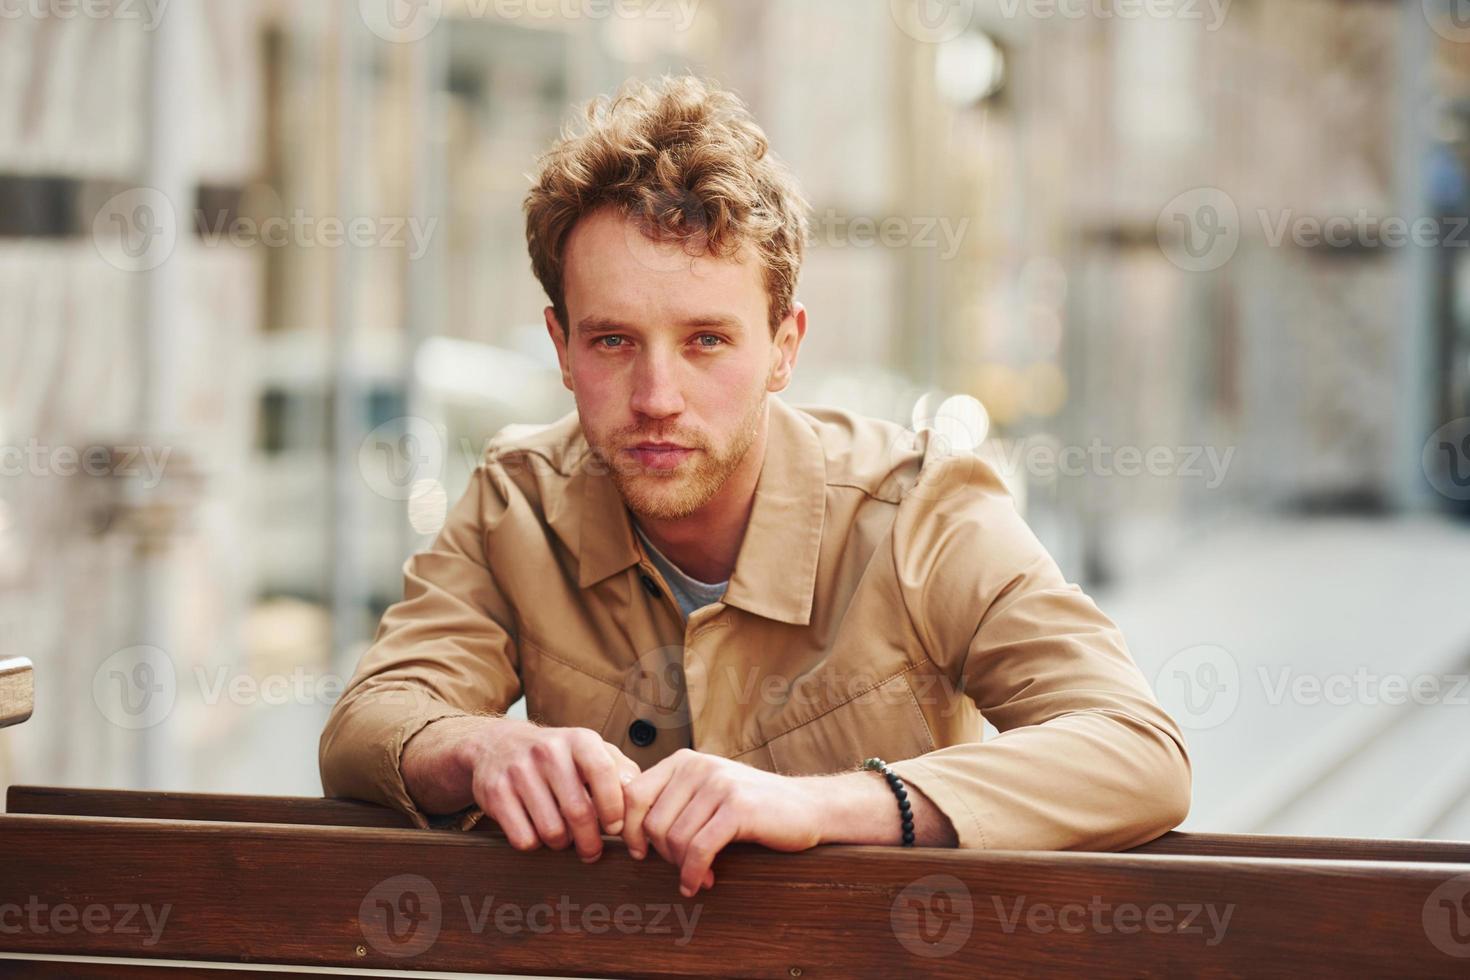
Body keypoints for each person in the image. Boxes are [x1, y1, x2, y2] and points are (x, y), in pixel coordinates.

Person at [319, 74, 1191, 900]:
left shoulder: (923, 509)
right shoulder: (515, 502)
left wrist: (823, 805)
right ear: (560, 346)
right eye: (613, 342)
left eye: (706, 341)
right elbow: (372, 718)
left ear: (784, 345)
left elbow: (1135, 748)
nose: (657, 400)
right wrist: (479, 746)